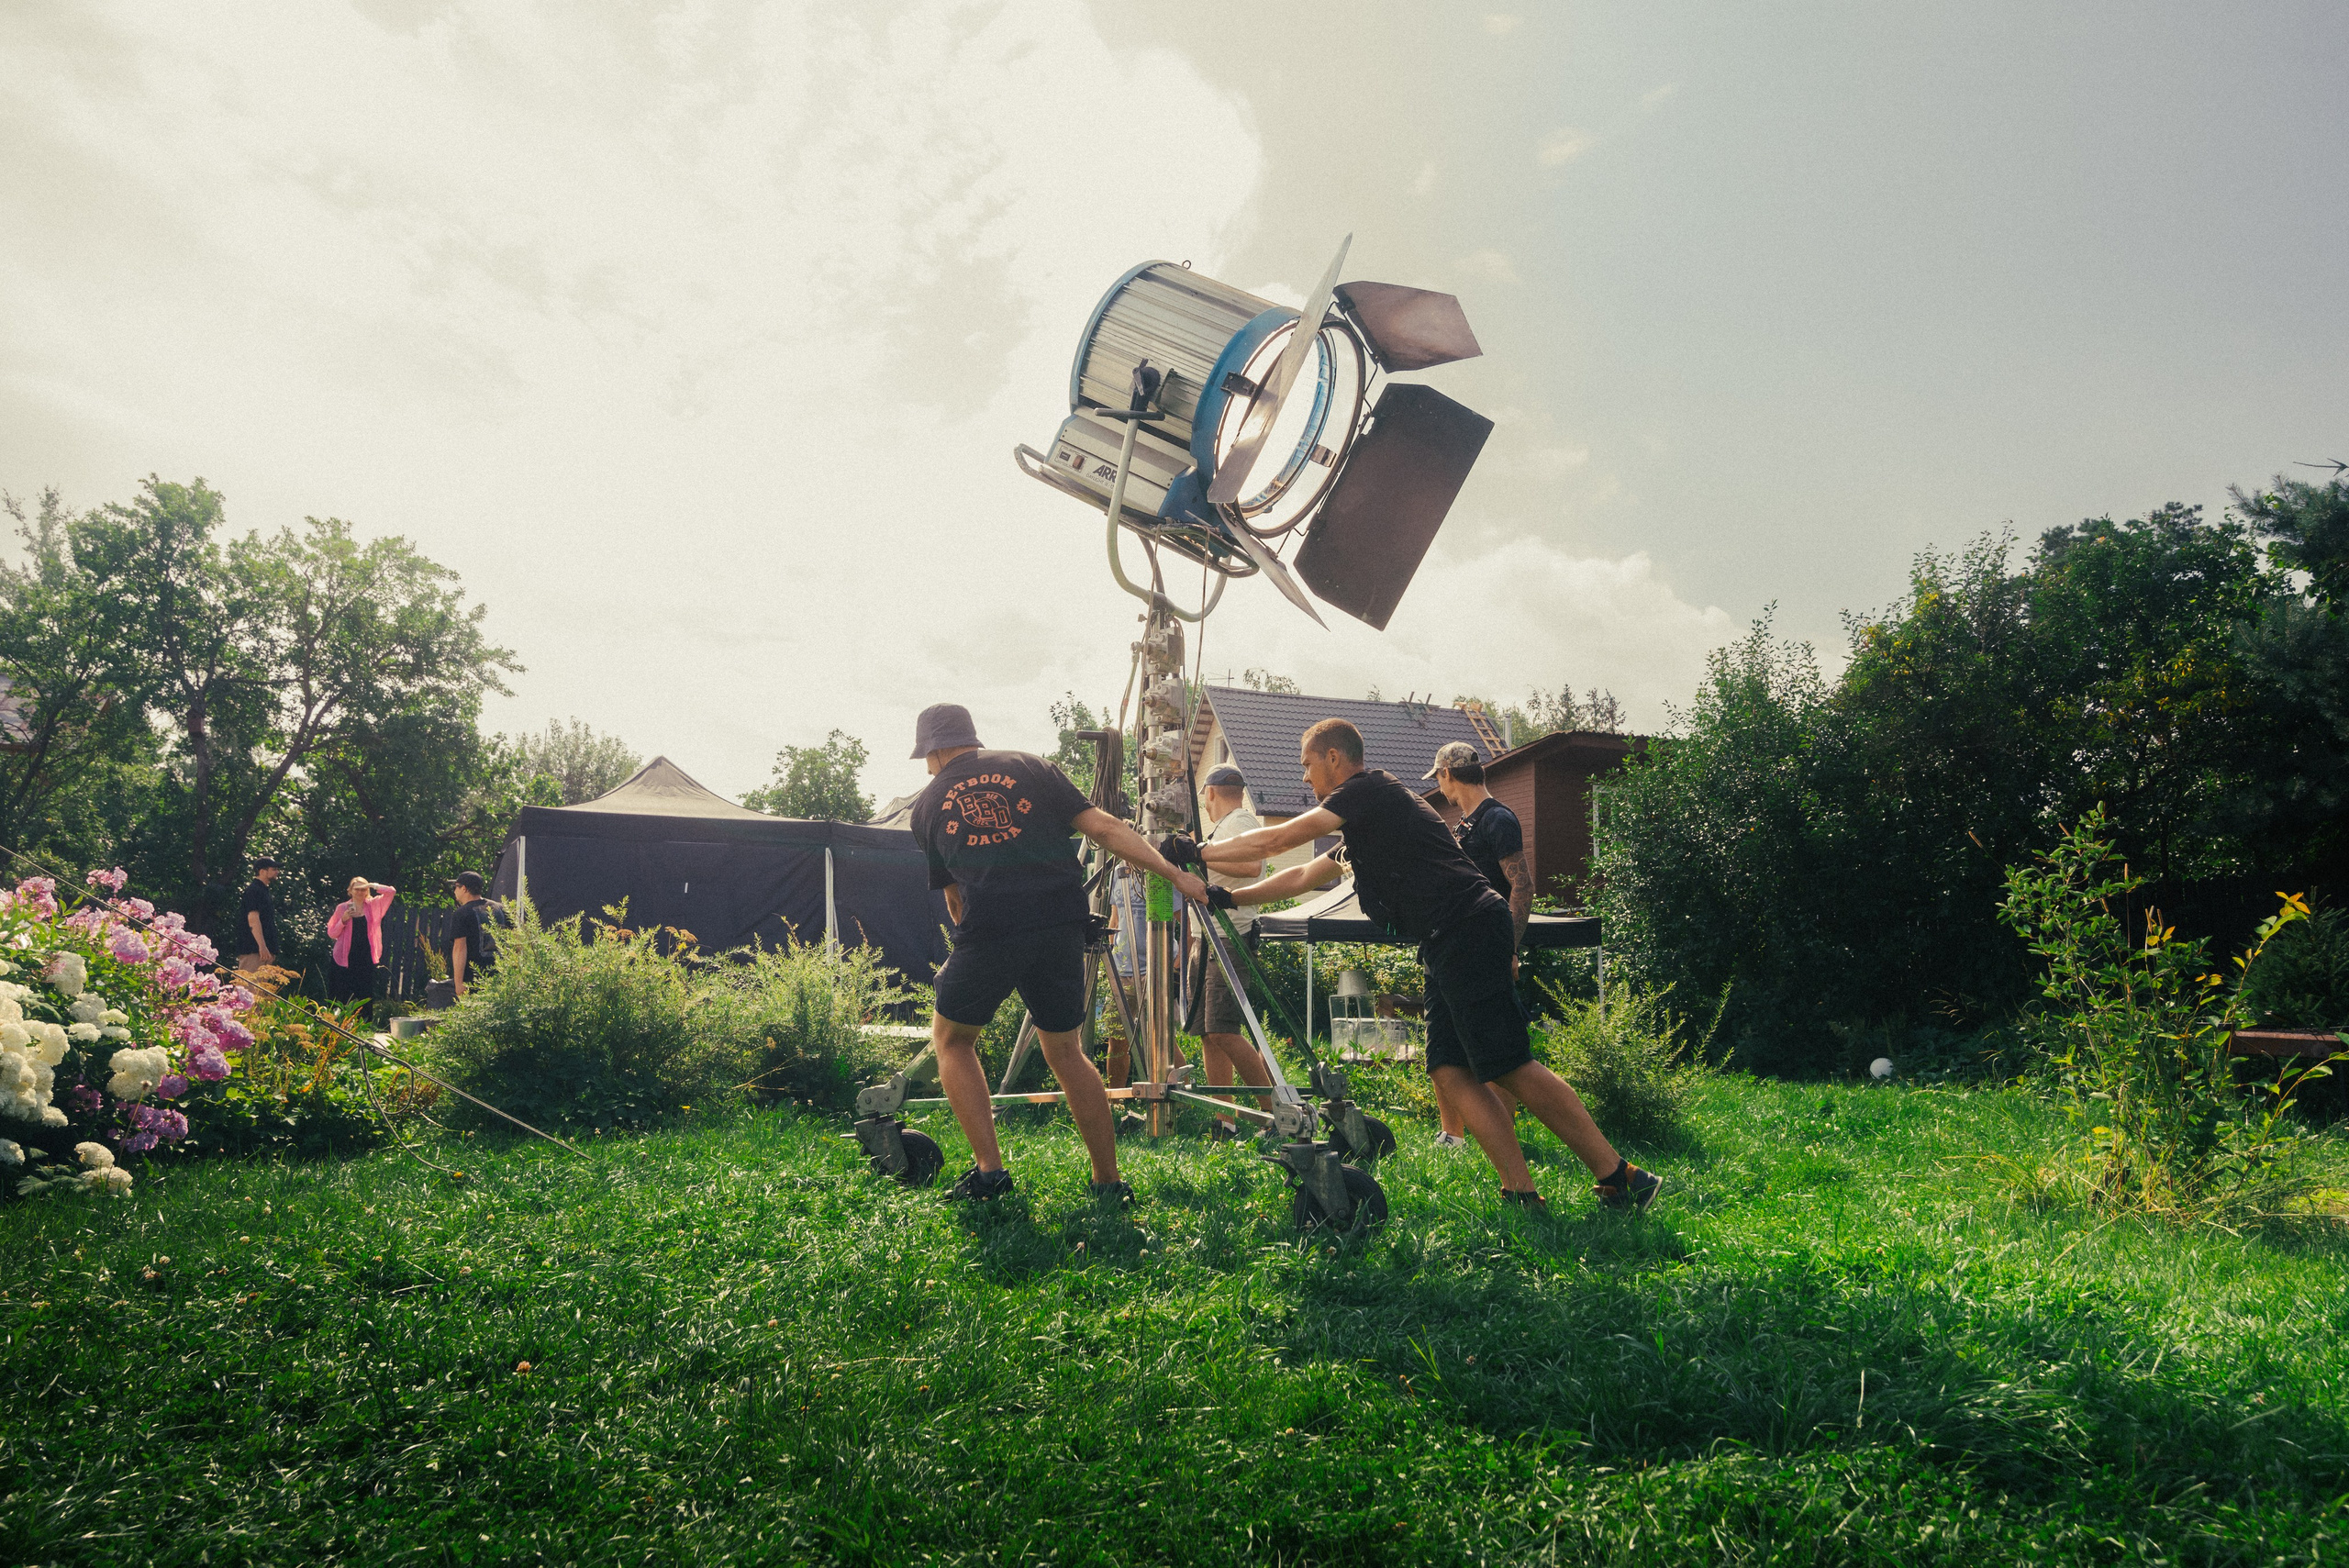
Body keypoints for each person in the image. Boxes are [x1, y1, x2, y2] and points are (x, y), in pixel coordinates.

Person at [1178, 717, 1661, 1212]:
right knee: (1450, 1069)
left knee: (1509, 1064)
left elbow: (1276, 842)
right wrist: (1231, 895)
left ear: (1334, 758)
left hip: (1469, 928)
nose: (1304, 778)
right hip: (1444, 938)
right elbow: (1305, 872)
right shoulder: (1368, 820)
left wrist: (1199, 850)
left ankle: (1622, 1174)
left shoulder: (1370, 789)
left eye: (1307, 765)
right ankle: (1520, 1191)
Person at [907, 702, 1208, 1205]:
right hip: (1061, 927)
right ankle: (1108, 1182)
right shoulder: (1030, 766)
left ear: (932, 751)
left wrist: (980, 949)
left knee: (954, 1042)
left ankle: (989, 1173)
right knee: (1066, 1052)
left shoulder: (928, 803)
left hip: (991, 932)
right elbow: (1108, 830)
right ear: (972, 738)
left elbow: (955, 898)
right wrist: (1174, 873)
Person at [1425, 741, 1531, 1147]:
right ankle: (1452, 1136)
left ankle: (1503, 1134)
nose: (1439, 786)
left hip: (1489, 950)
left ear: (1447, 774)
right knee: (1444, 1053)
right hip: (1452, 951)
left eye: (1438, 777)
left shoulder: (1497, 818)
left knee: (1499, 1055)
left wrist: (1510, 949)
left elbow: (1522, 884)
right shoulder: (1462, 825)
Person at [1186, 764, 1273, 1140]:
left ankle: (1276, 1114)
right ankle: (1225, 1120)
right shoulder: (1224, 828)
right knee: (1208, 1033)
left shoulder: (1240, 821)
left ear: (1209, 793)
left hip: (1230, 937)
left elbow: (1252, 866)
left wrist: (1199, 854)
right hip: (1207, 937)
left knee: (1223, 1030)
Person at [326, 876, 398, 1015]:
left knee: (365, 992)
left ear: (367, 891)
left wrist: (373, 885)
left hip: (366, 955)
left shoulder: (373, 905)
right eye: (357, 889)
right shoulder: (342, 908)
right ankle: (338, 1024)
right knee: (342, 992)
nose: (360, 892)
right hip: (345, 956)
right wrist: (343, 919)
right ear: (350, 891)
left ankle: (365, 1026)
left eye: (363, 889)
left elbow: (391, 892)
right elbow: (332, 933)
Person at [447, 872, 499, 998]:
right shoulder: (499, 909)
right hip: (499, 977)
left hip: (473, 980)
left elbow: (460, 948)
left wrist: (459, 983)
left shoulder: (462, 913)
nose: (454, 891)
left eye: (456, 887)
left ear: (464, 888)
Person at [234, 857, 282, 974]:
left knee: (261, 991)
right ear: (262, 871)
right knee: (248, 989)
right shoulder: (254, 890)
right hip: (254, 951)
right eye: (274, 869)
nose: (277, 872)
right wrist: (262, 946)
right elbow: (253, 919)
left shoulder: (263, 890)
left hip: (264, 951)